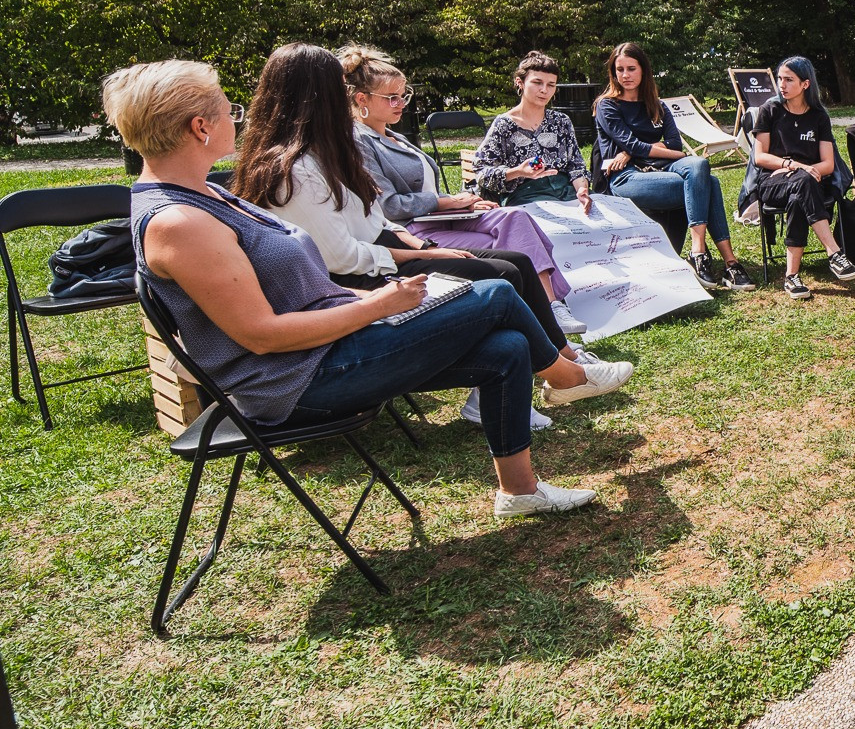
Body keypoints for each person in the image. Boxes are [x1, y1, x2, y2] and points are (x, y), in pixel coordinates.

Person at [112, 59, 611, 517]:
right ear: (200, 127)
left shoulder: (206, 194)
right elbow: (263, 335)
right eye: (229, 111)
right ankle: (566, 377)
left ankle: (519, 492)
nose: (237, 119)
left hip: (327, 346)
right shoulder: (179, 223)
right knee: (498, 293)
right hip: (294, 380)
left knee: (506, 346)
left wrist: (370, 299)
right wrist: (377, 305)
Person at [238, 44, 632, 429]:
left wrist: (427, 248)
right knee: (503, 277)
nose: (345, 100)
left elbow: (375, 222)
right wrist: (419, 253)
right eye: (336, 90)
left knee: (515, 261)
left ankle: (557, 360)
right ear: (316, 97)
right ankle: (562, 370)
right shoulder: (303, 168)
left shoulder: (328, 153)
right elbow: (343, 257)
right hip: (357, 282)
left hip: (389, 249)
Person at [340, 44, 587, 337]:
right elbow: (390, 206)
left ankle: (552, 306)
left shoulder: (394, 136)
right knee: (508, 246)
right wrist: (446, 201)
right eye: (392, 97)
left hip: (444, 214)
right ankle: (544, 316)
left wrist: (464, 204)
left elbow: (576, 164)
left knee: (514, 220)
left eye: (403, 96)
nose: (401, 104)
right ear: (361, 99)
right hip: (413, 228)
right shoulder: (360, 143)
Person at [592, 42, 756, 292]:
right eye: (620, 69)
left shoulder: (657, 106)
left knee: (700, 165)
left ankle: (702, 252)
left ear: (643, 70)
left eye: (631, 69)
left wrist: (633, 150)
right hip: (627, 178)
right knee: (707, 184)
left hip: (663, 171)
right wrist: (632, 149)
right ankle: (727, 263)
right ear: (613, 73)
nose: (625, 75)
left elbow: (676, 147)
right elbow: (633, 142)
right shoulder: (607, 105)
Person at [749, 55, 855, 300]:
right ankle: (834, 253)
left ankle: (791, 276)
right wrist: (793, 166)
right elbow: (760, 157)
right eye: (780, 79)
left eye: (789, 80)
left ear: (805, 84)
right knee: (802, 180)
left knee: (801, 189)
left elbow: (828, 164)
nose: (782, 85)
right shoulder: (770, 110)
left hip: (809, 183)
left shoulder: (818, 116)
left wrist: (805, 172)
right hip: (772, 182)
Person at [471, 53, 594, 212]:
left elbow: (576, 165)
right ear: (520, 83)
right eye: (537, 82)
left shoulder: (561, 121)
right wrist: (518, 172)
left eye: (551, 85)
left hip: (567, 192)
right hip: (525, 195)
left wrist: (582, 190)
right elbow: (482, 171)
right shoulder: (504, 125)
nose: (544, 90)